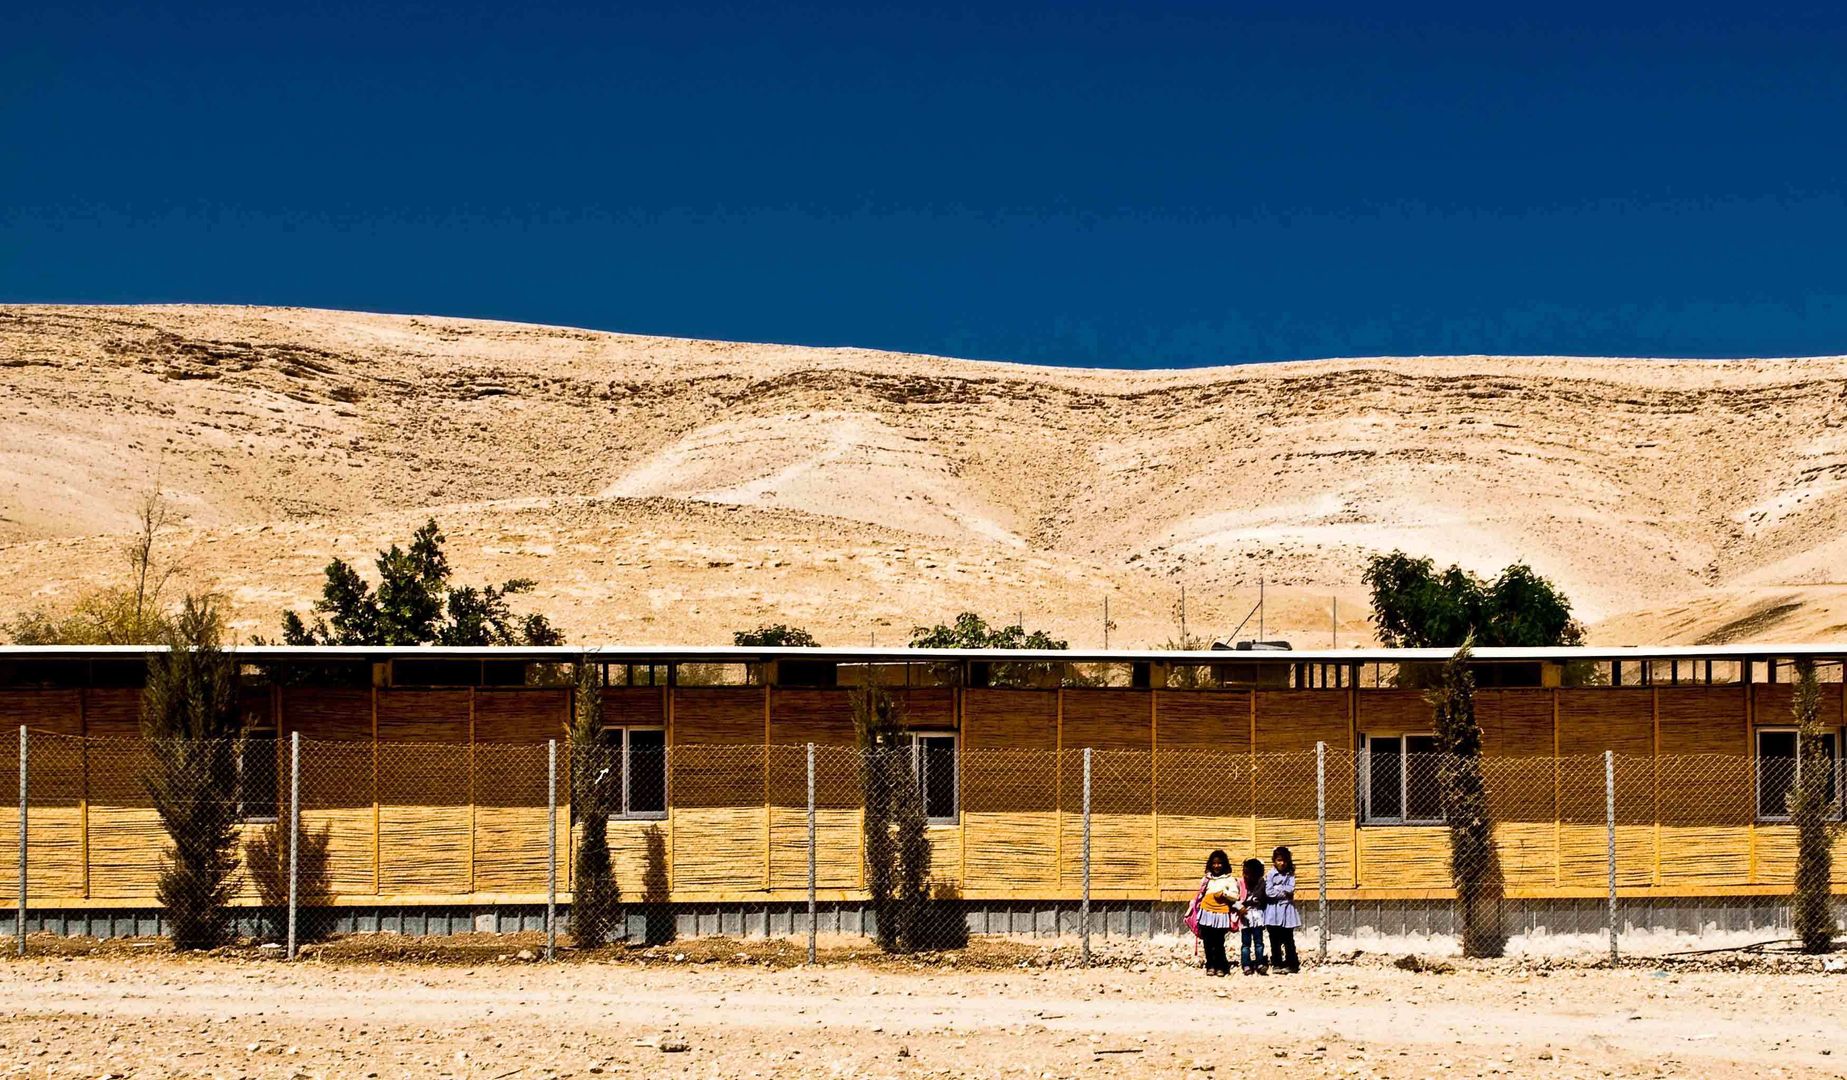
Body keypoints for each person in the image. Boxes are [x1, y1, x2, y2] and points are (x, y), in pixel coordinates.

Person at [1193, 849, 1239, 976]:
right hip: (1206, 912)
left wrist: (1224, 894)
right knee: (1208, 941)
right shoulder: (1207, 879)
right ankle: (1210, 965)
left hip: (1221, 913)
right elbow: (1200, 894)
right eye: (1214, 863)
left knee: (1219, 942)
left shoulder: (1229, 880)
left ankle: (1221, 966)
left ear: (1224, 864)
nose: (1216, 866)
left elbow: (1235, 896)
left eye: (1219, 863)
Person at [1264, 845, 1302, 974]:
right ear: (1274, 861)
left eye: (1284, 860)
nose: (1282, 863)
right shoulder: (1270, 874)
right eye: (1279, 860)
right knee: (1274, 939)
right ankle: (1277, 963)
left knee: (1288, 939)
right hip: (1273, 911)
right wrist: (1283, 890)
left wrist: (1278, 889)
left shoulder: (1290, 874)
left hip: (1287, 911)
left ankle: (1292, 964)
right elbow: (1269, 892)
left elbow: (1291, 889)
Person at [1238, 857, 1268, 975]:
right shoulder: (1240, 884)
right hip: (1245, 917)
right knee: (1245, 943)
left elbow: (1264, 900)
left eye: (1249, 874)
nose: (1247, 876)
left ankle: (1260, 963)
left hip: (1258, 917)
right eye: (1245, 873)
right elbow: (1234, 898)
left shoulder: (1262, 884)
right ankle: (1246, 964)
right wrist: (1239, 907)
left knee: (1259, 942)